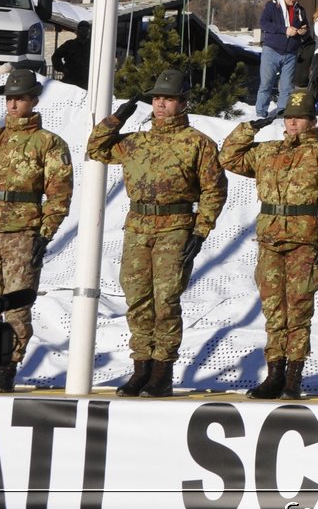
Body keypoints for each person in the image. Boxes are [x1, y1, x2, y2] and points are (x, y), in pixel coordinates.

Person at [87, 69, 226, 397]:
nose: (161, 104)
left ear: (183, 103)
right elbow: (96, 147)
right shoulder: (136, 141)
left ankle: (162, 371)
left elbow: (214, 189)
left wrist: (201, 230)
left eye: (168, 99)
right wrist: (120, 116)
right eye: (157, 99)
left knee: (165, 300)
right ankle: (142, 367)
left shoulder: (198, 144)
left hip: (175, 228)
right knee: (137, 300)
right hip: (138, 228)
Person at [218, 89, 318, 400]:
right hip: (270, 240)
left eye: (298, 118)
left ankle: (293, 377)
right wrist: (250, 127)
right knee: (274, 310)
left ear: (311, 122)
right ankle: (274, 373)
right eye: (288, 117)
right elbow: (228, 157)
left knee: (298, 311)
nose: (292, 122)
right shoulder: (268, 152)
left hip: (304, 242)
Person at [0, 69, 72, 390]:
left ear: (33, 100)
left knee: (15, 305)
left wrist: (45, 232)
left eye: (19, 99)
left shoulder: (48, 143)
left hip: (22, 234)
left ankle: (8, 366)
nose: (12, 105)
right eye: (9, 99)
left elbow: (60, 193)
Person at [255, 0, 310, 119]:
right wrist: (284, 30)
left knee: (286, 87)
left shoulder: (300, 10)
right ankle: (261, 113)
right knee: (266, 83)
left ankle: (282, 112)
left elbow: (306, 28)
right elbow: (264, 23)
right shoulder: (272, 5)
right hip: (271, 50)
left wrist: (303, 31)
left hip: (290, 53)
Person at [50, 21, 91, 89]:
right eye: (82, 29)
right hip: (71, 79)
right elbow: (56, 56)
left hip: (87, 81)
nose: (84, 32)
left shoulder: (92, 45)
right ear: (78, 31)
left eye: (86, 30)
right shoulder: (70, 44)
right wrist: (63, 69)